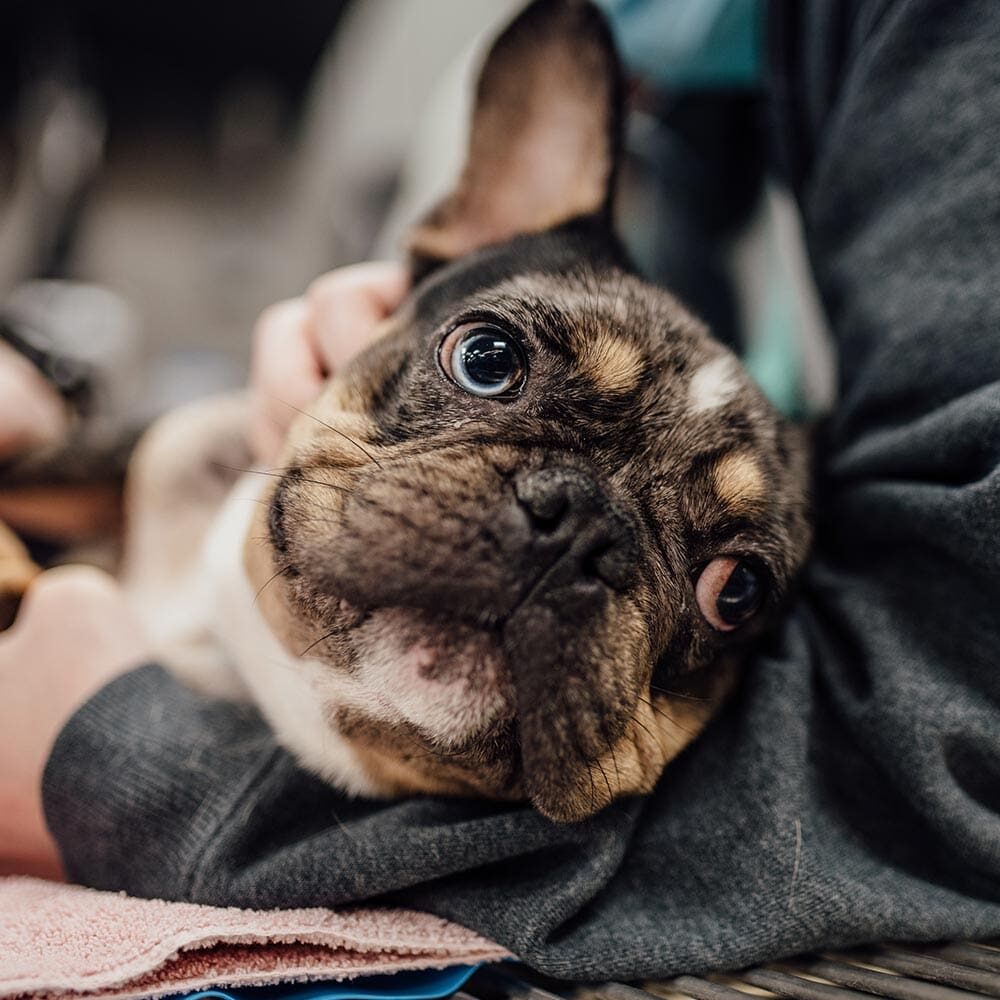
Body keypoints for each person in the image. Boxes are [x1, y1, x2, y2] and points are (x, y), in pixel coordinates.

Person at [1, 0, 999, 981]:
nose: (565, 537)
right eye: (489, 361)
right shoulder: (187, 463)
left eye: (723, 584)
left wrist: (120, 767)